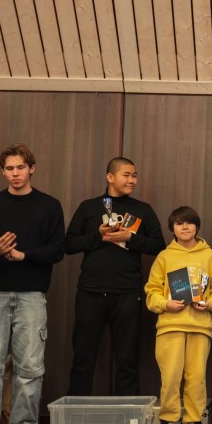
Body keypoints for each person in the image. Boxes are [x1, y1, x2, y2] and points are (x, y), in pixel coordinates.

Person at [0, 143, 64, 424]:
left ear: (31, 168)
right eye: (9, 168)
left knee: (30, 366)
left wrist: (25, 255)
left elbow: (57, 250)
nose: (15, 173)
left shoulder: (49, 205)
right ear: (3, 171)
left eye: (20, 167)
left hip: (32, 294)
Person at [64, 157, 165, 396]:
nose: (132, 180)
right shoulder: (89, 207)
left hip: (127, 293)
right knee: (83, 359)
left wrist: (131, 238)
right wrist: (98, 236)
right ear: (110, 177)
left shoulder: (143, 209)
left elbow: (159, 246)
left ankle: (128, 416)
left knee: (127, 360)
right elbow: (68, 245)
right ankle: (76, 414)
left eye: (134, 175)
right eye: (126, 175)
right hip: (90, 292)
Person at [145, 206, 212, 424]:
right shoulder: (164, 256)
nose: (185, 227)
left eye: (189, 223)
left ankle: (193, 422)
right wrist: (166, 304)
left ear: (197, 227)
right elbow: (152, 290)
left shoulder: (209, 256)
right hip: (170, 325)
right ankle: (168, 421)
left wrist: (210, 303)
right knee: (170, 377)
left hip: (200, 325)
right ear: (172, 228)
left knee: (196, 377)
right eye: (179, 223)